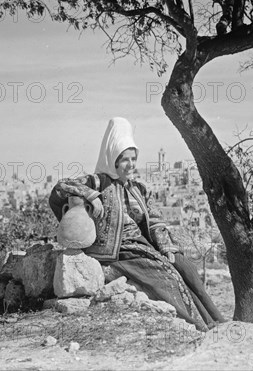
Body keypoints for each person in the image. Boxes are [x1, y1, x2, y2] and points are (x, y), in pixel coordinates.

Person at [49, 117, 225, 330]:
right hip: (120, 251)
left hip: (143, 245)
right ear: (113, 158)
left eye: (133, 159)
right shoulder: (97, 181)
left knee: (184, 266)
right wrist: (91, 196)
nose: (131, 165)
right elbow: (61, 187)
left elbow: (156, 221)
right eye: (125, 159)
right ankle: (199, 325)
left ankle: (215, 319)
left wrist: (166, 247)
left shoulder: (139, 189)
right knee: (166, 276)